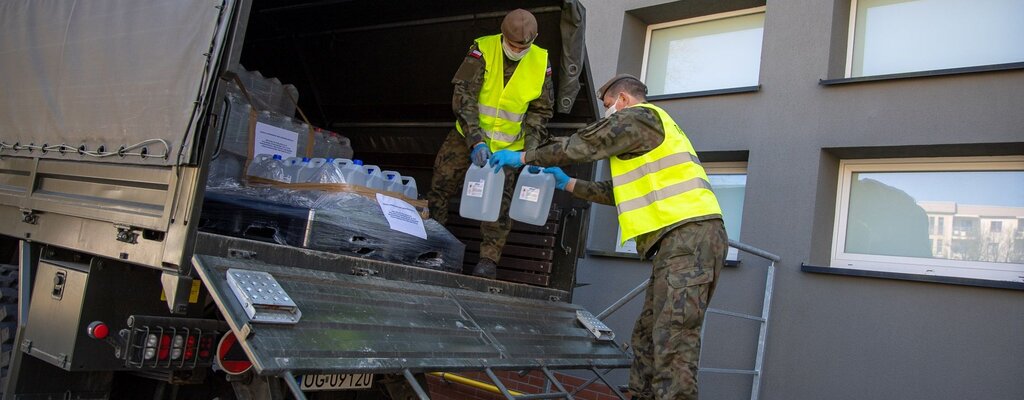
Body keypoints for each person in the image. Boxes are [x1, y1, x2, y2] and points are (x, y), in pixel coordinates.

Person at [489, 74, 728, 399]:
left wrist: (522, 157)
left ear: (624, 100)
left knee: (674, 339)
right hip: (679, 242)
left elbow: (584, 143)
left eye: (607, 106)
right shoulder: (647, 136)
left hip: (690, 237)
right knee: (647, 336)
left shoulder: (641, 117)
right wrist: (568, 184)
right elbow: (619, 192)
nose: (607, 113)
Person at [426, 9, 554, 279]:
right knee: (440, 186)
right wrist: (475, 140)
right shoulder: (482, 49)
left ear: (535, 39)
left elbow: (540, 112)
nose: (517, 49)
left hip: (509, 148)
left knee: (500, 205)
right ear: (503, 35)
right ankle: (434, 247)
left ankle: (488, 262)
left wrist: (530, 153)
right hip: (467, 137)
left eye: (524, 46)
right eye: (513, 44)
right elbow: (463, 95)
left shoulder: (541, 61)